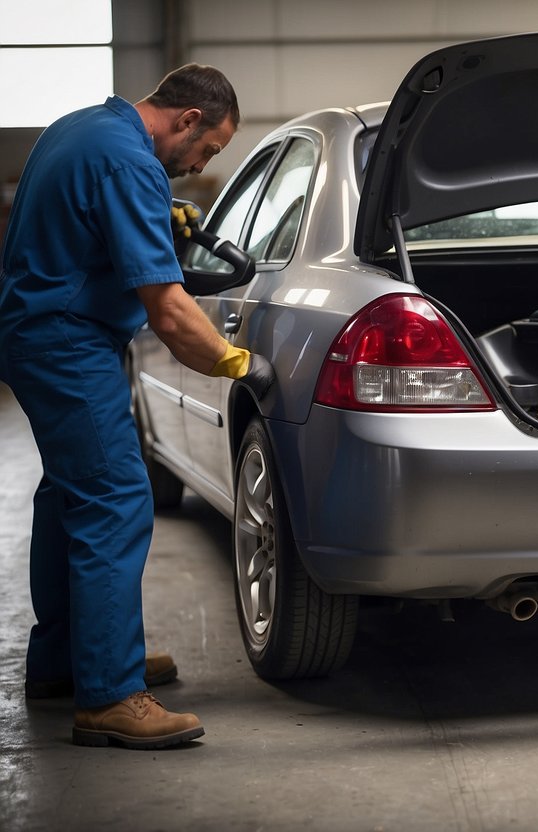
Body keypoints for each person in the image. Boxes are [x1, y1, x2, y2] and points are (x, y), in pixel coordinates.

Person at [0, 64, 275, 749]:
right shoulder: (129, 164)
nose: (199, 164)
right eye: (208, 150)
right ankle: (111, 694)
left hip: (38, 332)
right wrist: (243, 364)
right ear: (186, 120)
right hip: (68, 342)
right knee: (115, 500)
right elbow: (172, 313)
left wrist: (161, 224)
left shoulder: (85, 128)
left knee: (70, 497)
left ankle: (68, 661)